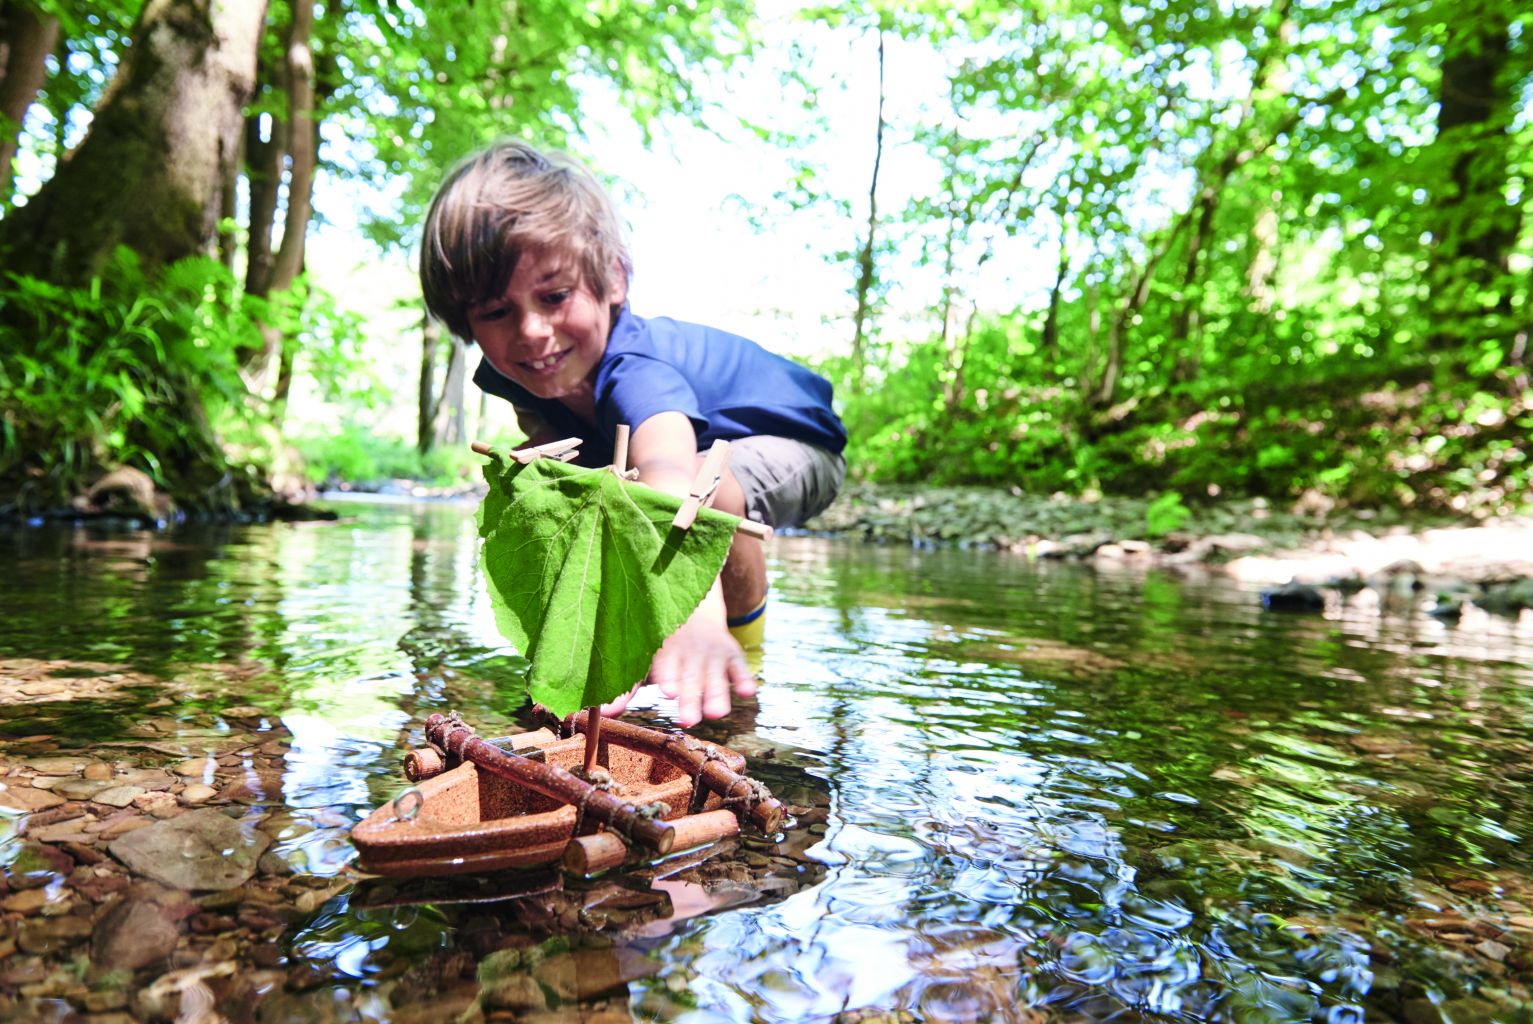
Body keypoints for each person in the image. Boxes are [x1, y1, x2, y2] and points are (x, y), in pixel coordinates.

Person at [419, 140, 846, 727]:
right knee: (578, 491)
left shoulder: (634, 366)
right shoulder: (511, 374)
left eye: (555, 296)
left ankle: (735, 673)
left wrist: (686, 604)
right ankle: (632, 662)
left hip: (795, 444)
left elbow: (670, 466)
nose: (532, 332)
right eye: (496, 313)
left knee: (705, 485)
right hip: (694, 453)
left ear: (613, 279)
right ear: (465, 319)